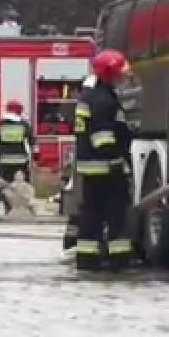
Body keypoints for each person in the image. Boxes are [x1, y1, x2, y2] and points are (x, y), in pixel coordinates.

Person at [73, 50, 134, 270]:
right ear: (110, 74)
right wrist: (118, 160)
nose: (124, 77)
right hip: (106, 168)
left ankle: (87, 259)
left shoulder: (90, 97)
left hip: (91, 168)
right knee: (116, 215)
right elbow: (103, 137)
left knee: (91, 214)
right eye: (121, 73)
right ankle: (119, 261)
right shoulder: (104, 100)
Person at [62, 74, 98, 252]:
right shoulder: (96, 104)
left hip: (81, 157)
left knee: (78, 208)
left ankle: (72, 245)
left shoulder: (79, 105)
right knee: (87, 206)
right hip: (91, 159)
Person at [0, 99, 35, 203]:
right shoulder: (24, 125)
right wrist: (34, 157)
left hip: (5, 161)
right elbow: (32, 141)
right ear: (19, 112)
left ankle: (7, 205)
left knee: (5, 184)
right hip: (21, 161)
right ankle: (24, 203)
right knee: (24, 185)